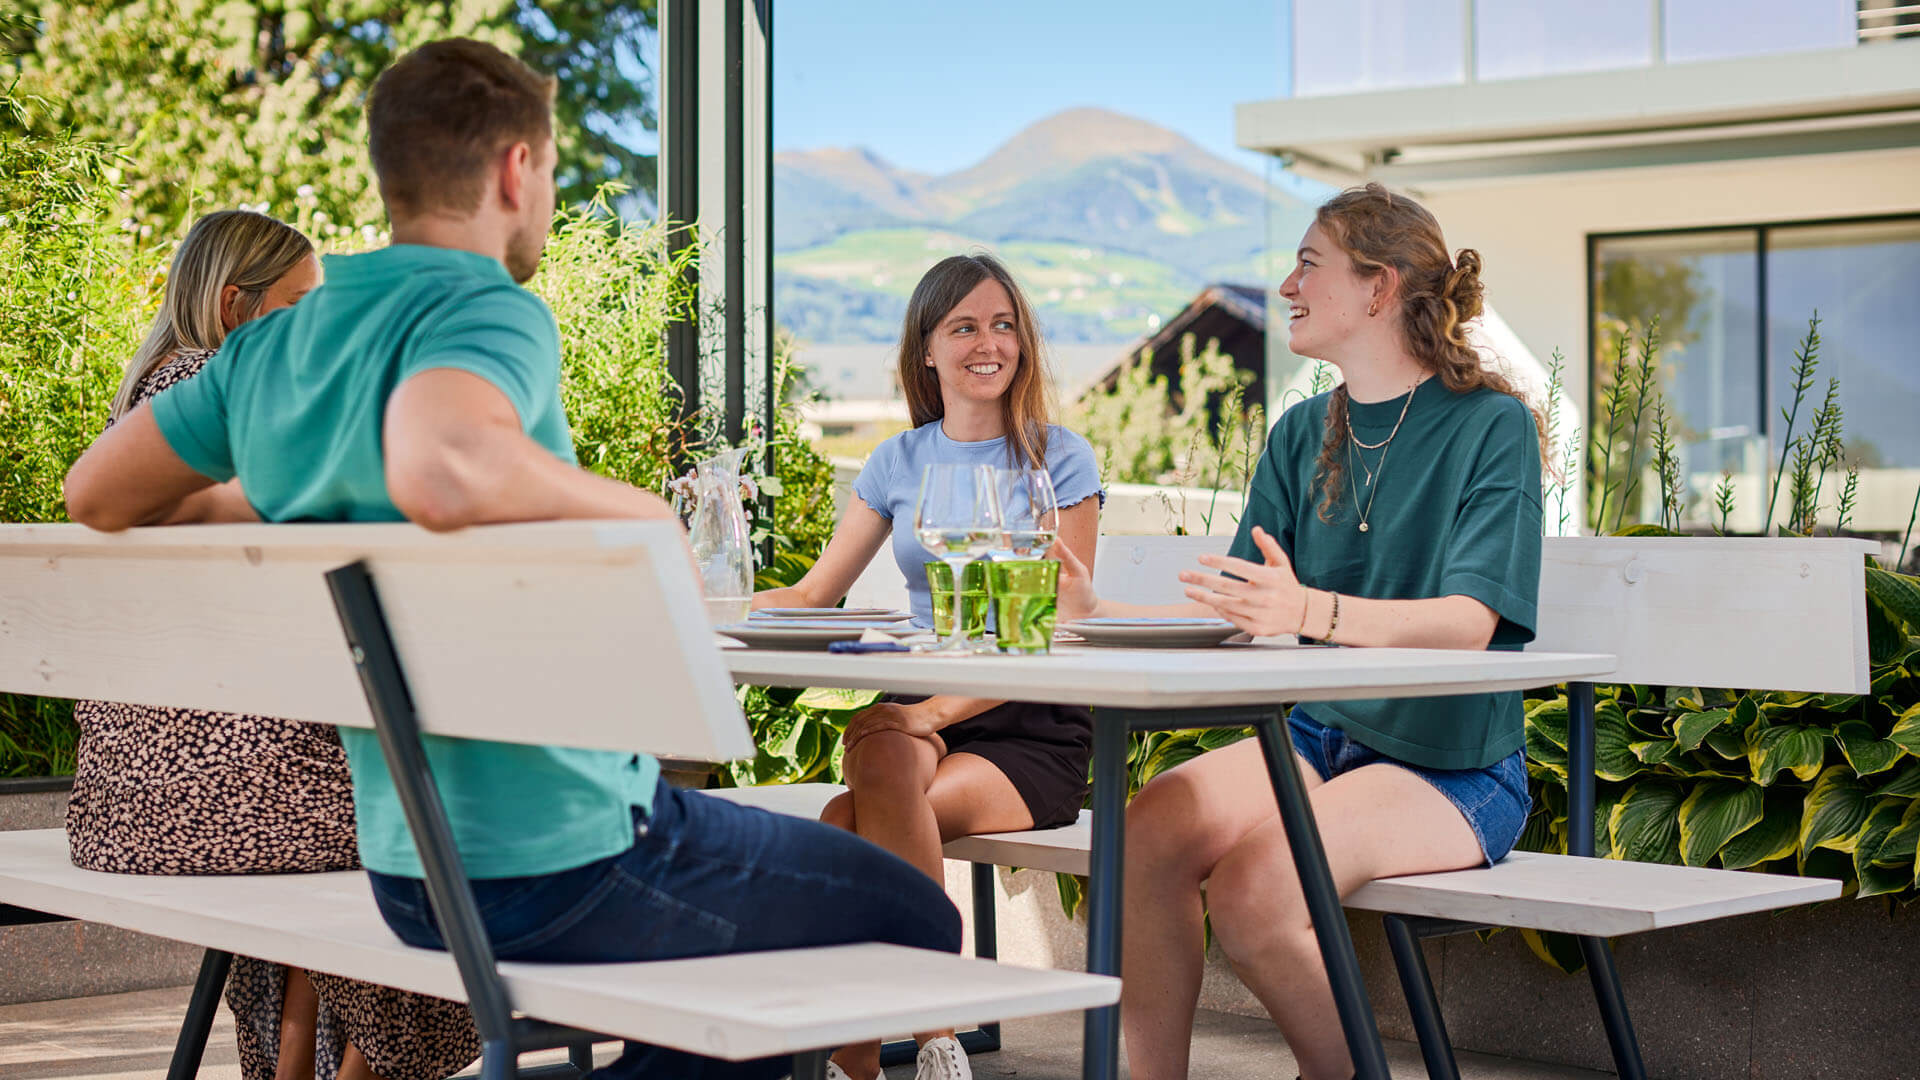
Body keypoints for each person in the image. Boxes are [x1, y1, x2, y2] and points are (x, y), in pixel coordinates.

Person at [62, 37, 960, 1080]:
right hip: (563, 852)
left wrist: (266, 498)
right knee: (911, 922)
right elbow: (443, 463)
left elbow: (97, 493)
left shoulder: (274, 347)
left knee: (733, 979)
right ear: (514, 169)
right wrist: (644, 519)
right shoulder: (484, 303)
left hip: (409, 869)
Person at [1053, 183, 1546, 1080]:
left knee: (1256, 887)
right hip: (1320, 735)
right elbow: (1239, 611)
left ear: (1379, 287)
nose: (1285, 283)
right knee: (1148, 828)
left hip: (1453, 767)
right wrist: (1096, 614)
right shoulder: (1298, 433)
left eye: (1309, 263)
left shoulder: (1493, 428)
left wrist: (1311, 614)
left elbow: (1469, 623)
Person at [65, 208, 481, 1080]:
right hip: (229, 803)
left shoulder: (146, 407)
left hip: (123, 803)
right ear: (233, 306)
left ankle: (296, 1061)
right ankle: (356, 1073)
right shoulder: (231, 385)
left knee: (353, 780)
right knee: (448, 820)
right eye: (299, 308)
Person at [754, 253, 1105, 1080]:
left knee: (846, 832)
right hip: (919, 692)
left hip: (1028, 706)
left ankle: (872, 1054)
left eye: (1003, 323)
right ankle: (926, 1031)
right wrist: (713, 599)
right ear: (928, 349)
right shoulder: (897, 461)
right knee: (879, 752)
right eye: (965, 327)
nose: (989, 343)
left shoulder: (1059, 458)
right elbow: (816, 591)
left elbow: (1047, 626)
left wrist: (931, 715)